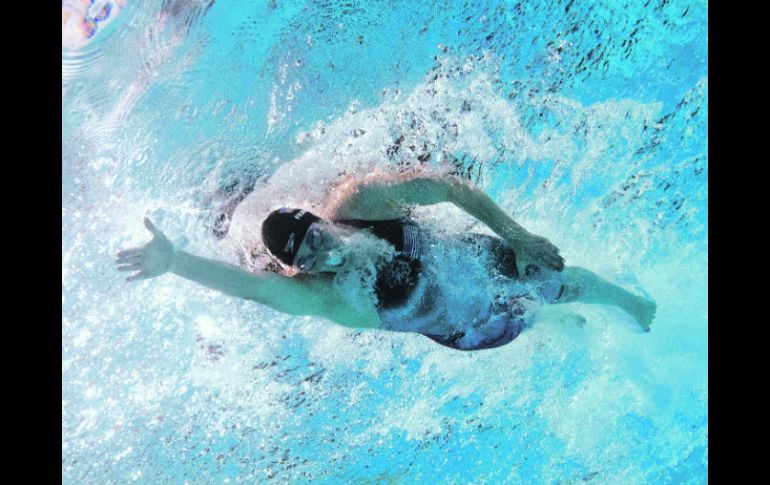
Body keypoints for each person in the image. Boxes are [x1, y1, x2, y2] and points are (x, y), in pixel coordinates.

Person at [116, 173, 656, 350]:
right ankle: (557, 319)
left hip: (484, 262)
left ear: (320, 219)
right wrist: (176, 263)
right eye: (307, 260)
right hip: (471, 332)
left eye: (317, 238)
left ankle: (628, 299)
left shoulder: (358, 204)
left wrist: (517, 234)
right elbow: (259, 291)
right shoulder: (325, 296)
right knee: (540, 314)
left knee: (551, 280)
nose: (322, 256)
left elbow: (447, 187)